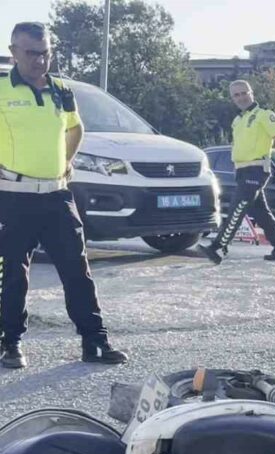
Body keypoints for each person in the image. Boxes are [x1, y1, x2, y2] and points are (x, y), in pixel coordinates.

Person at [0, 22, 127, 369]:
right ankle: (9, 343)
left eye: (45, 53)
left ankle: (95, 342)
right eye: (31, 53)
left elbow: (76, 128)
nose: (40, 60)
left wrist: (67, 161)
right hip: (12, 198)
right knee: (12, 273)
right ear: (13, 52)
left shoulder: (61, 90)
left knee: (77, 271)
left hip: (57, 196)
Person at [198, 80, 275, 265]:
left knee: (237, 207)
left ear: (252, 93)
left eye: (244, 93)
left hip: (257, 170)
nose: (241, 97)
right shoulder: (237, 121)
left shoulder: (265, 115)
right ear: (232, 98)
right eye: (236, 95)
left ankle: (217, 246)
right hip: (242, 171)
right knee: (260, 212)